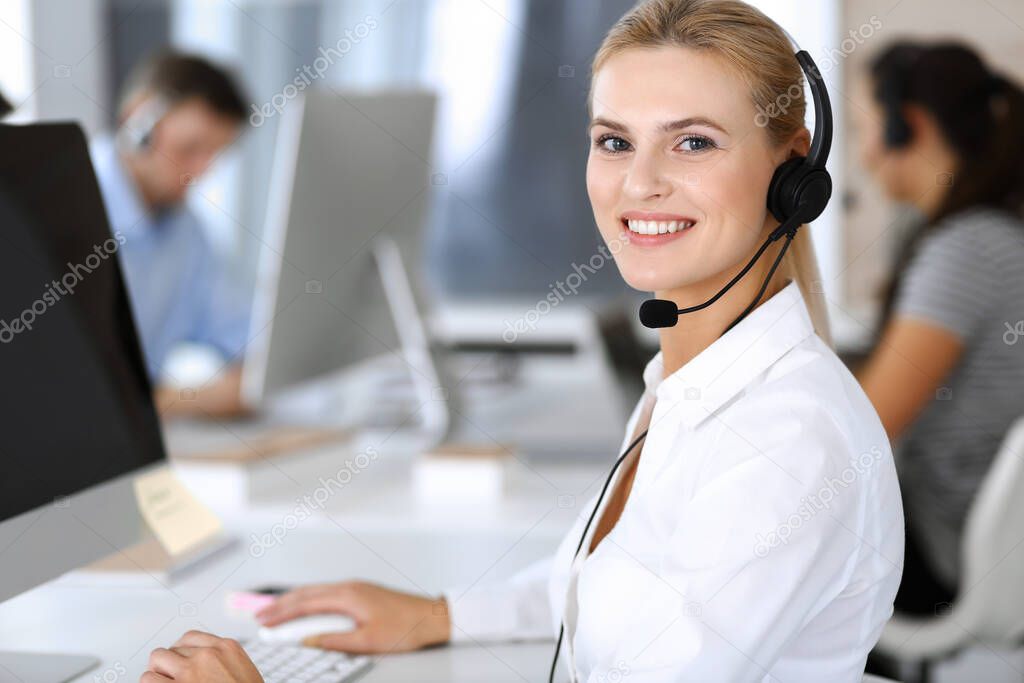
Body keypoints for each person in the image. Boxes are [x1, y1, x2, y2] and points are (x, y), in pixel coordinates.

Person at [140, 1, 904, 680]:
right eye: (613, 142)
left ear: (793, 167)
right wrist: (441, 614)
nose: (638, 183)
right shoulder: (692, 376)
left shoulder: (784, 438)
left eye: (693, 143)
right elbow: (596, 578)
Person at [853, 41, 1024, 616]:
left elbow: (868, 425)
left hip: (950, 540)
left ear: (910, 126)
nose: (864, 155)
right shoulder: (991, 232)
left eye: (866, 129)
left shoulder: (967, 249)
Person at [90, 51, 252, 419]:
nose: (202, 171)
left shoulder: (187, 231)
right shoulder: (66, 205)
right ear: (138, 124)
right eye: (190, 149)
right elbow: (74, 396)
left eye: (215, 154)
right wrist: (190, 399)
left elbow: (246, 335)